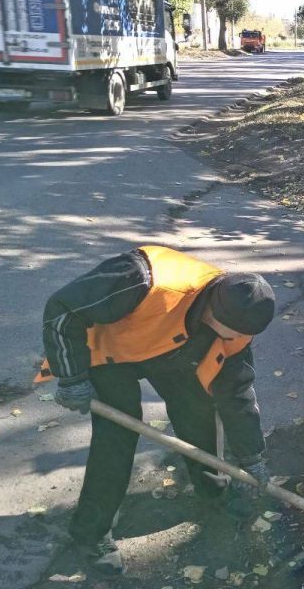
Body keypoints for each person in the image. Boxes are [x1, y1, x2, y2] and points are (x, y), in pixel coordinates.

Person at [37, 245, 276, 575]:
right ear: (214, 312)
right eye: (235, 332)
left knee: (198, 413)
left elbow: (237, 394)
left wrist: (252, 458)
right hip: (112, 353)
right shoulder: (141, 278)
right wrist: (71, 376)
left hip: (171, 350)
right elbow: (63, 307)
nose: (239, 339)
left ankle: (214, 490)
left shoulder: (237, 328)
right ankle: (91, 533)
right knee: (118, 435)